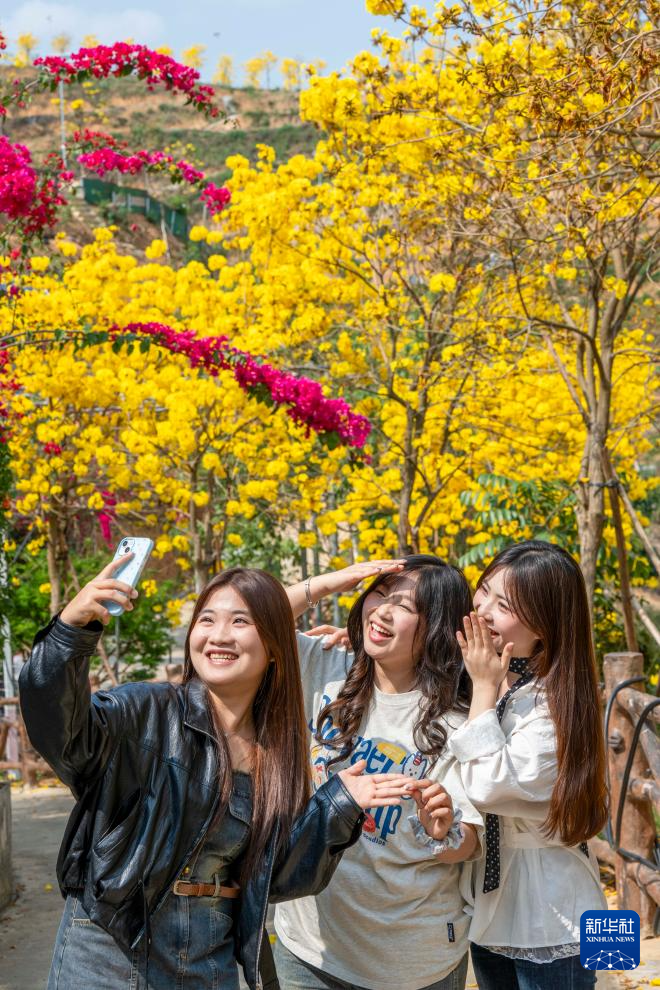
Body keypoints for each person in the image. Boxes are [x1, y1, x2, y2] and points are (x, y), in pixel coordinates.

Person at [19, 558, 416, 990]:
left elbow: (276, 877)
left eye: (240, 621)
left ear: (275, 646)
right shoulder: (147, 711)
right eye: (206, 620)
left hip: (210, 954)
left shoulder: (278, 752)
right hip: (111, 945)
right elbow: (64, 734)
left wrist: (337, 804)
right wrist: (70, 632)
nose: (219, 635)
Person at [274, 555, 485, 990]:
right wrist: (329, 583)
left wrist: (442, 830)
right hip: (308, 949)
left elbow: (469, 844)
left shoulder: (460, 721)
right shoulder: (327, 667)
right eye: (380, 594)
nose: (383, 611)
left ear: (437, 628)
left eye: (404, 606)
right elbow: (255, 620)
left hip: (411, 962)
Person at [449, 540, 608, 990]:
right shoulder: (506, 681)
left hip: (556, 913)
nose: (482, 611)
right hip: (496, 905)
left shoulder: (551, 707)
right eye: (484, 592)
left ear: (544, 624)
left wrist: (484, 686)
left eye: (504, 606)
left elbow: (487, 787)